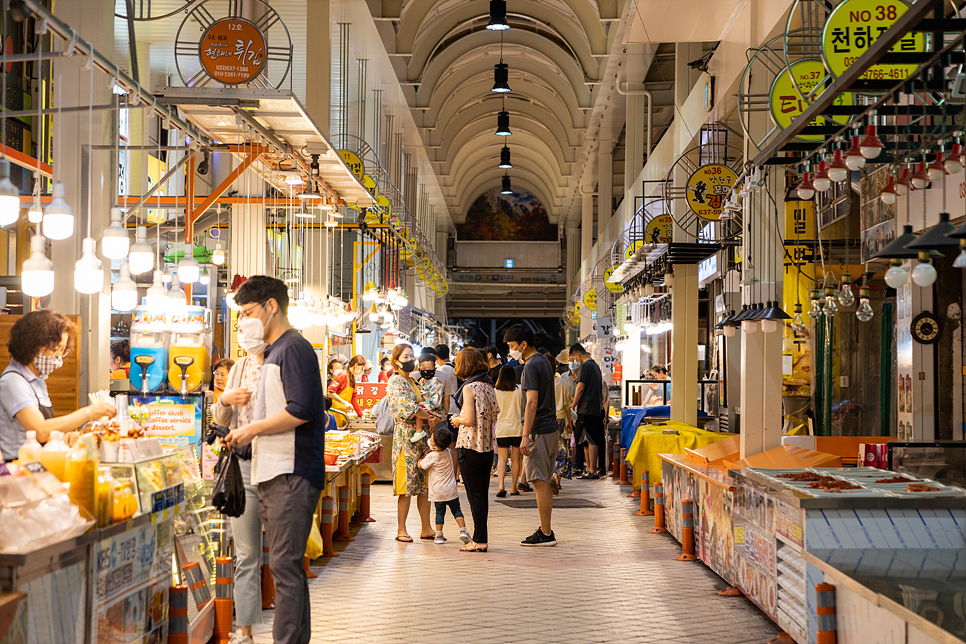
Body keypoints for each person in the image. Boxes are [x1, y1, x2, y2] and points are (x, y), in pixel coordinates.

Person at [224, 276, 326, 644]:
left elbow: (302, 411)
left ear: (271, 306)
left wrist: (253, 430)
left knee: (284, 568)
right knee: (288, 569)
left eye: (248, 313)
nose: (245, 323)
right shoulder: (276, 350)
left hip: (291, 471)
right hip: (273, 471)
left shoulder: (293, 348)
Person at [0, 310, 117, 460]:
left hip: (38, 463)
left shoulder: (37, 380)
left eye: (62, 351)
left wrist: (67, 438)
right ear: (31, 345)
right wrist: (89, 412)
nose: (58, 358)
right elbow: (40, 431)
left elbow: (45, 433)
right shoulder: (13, 382)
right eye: (55, 350)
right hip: (17, 469)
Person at [211, 335, 264, 644]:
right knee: (246, 554)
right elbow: (221, 418)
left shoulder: (284, 363)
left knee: (284, 557)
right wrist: (224, 400)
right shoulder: (239, 368)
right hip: (242, 467)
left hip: (278, 467)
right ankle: (244, 631)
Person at [504, 324, 558, 546]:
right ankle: (546, 529)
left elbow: (532, 403)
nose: (511, 351)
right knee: (542, 481)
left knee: (539, 481)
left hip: (538, 430)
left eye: (512, 346)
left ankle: (546, 533)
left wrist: (525, 436)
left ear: (523, 344)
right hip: (551, 428)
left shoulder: (531, 366)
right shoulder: (544, 360)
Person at [386, 343, 441, 542]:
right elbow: (408, 409)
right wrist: (428, 416)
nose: (410, 360)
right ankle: (401, 529)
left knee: (423, 486)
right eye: (406, 357)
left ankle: (426, 527)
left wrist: (433, 417)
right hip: (406, 441)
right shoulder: (396, 382)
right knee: (406, 487)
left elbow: (424, 404)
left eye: (411, 356)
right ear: (396, 362)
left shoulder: (412, 381)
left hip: (421, 441)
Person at [450, 347, 498, 552]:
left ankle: (479, 540)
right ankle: (481, 538)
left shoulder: (470, 388)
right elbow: (496, 412)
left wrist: (456, 419)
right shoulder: (488, 385)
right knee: (481, 495)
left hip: (469, 446)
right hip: (486, 447)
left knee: (474, 496)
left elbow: (468, 419)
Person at [418, 425, 471, 545]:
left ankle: (439, 535)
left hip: (438, 491)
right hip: (451, 489)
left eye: (431, 440)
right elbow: (438, 448)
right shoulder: (448, 451)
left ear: (436, 447)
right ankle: (463, 530)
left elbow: (422, 466)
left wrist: (419, 461)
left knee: (439, 513)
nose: (429, 441)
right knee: (457, 510)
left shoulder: (433, 456)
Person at [570, 343, 606, 479]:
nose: (575, 361)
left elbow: (580, 388)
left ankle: (591, 470)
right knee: (587, 440)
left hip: (586, 408)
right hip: (595, 409)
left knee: (590, 440)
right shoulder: (595, 366)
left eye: (574, 358)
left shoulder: (585, 366)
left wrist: (573, 406)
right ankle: (590, 469)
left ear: (578, 355)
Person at [493, 365, 523, 497]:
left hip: (502, 429)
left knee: (502, 459)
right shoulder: (520, 390)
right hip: (517, 428)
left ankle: (501, 486)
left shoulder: (495, 391)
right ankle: (513, 488)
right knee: (516, 460)